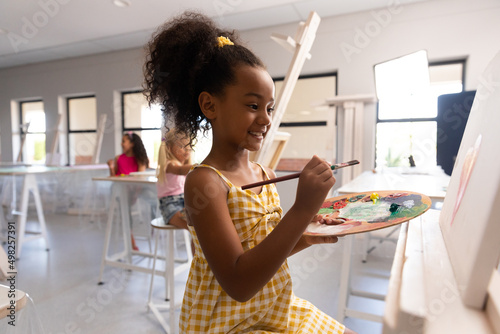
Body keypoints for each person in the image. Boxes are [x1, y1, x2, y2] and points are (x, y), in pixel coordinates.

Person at [144, 11, 356, 334]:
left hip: (274, 313)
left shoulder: (266, 173)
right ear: (210, 106)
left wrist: (307, 236)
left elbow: (263, 249)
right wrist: (302, 210)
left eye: (269, 108)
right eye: (253, 106)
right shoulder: (205, 183)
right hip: (230, 324)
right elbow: (239, 282)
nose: (266, 119)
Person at [107, 131, 150, 251]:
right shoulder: (118, 158)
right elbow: (114, 177)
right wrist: (111, 167)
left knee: (152, 196)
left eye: (123, 141)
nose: (121, 144)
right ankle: (131, 239)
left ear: (132, 144)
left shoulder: (140, 159)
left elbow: (140, 178)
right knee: (124, 206)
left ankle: (154, 226)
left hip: (136, 190)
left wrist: (135, 191)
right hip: (122, 191)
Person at [156, 129, 193, 230]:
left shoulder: (182, 165)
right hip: (170, 205)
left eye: (188, 147)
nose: (186, 150)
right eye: (181, 146)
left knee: (198, 228)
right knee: (194, 229)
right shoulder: (170, 164)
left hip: (184, 202)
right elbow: (180, 170)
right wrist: (199, 166)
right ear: (169, 148)